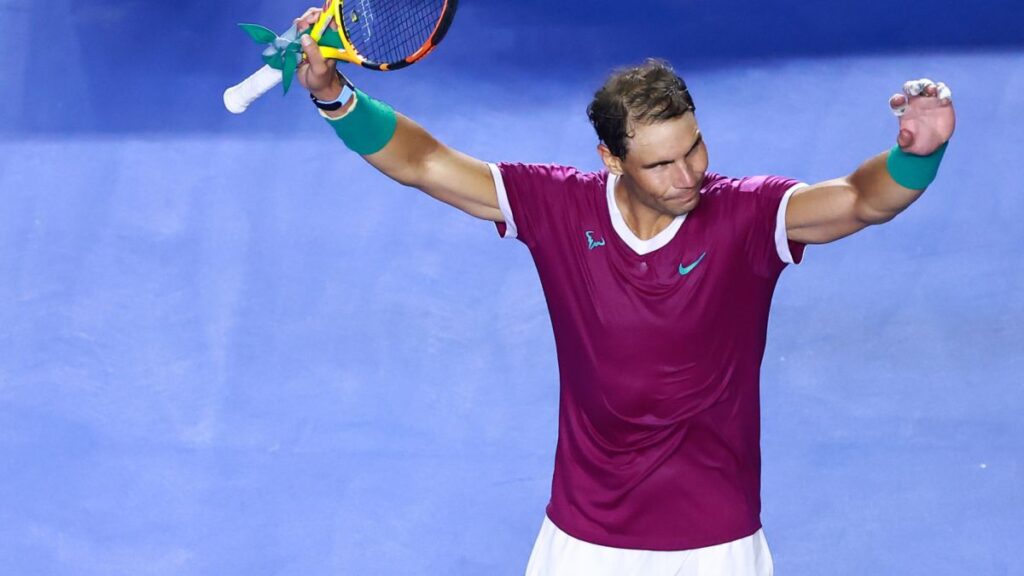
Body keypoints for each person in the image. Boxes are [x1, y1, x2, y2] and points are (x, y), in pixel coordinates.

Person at [290, 8, 956, 576]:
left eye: (693, 149)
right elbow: (426, 163)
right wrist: (334, 98)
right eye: (661, 163)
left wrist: (917, 154)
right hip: (584, 537)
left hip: (715, 541)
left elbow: (861, 201)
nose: (688, 174)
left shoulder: (748, 217)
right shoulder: (557, 206)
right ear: (611, 159)